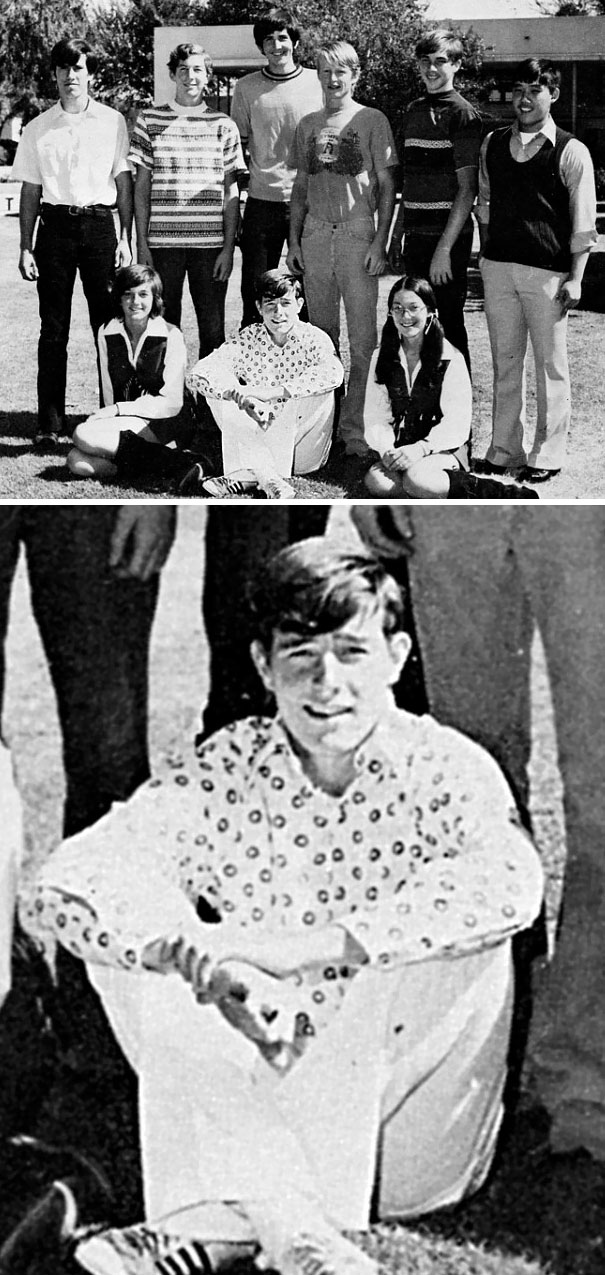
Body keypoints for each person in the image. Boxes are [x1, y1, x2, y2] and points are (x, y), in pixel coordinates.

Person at [24, 537, 543, 1275]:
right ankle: (291, 1230)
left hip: (404, 1144)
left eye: (351, 652)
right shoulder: (234, 761)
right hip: (266, 1086)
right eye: (300, 655)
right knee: (140, 952)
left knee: (425, 942)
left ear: (397, 656)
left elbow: (509, 882)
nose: (327, 682)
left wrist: (289, 950)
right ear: (264, 667)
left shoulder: (447, 767)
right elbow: (76, 875)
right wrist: (195, 955)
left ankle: (217, 1224)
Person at [349, 504, 605, 1162]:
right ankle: (494, 1052)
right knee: (471, 786)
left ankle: (583, 1077)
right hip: (454, 495)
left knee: (600, 794)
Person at [475, 59, 597, 484]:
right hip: (499, 269)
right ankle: (504, 449)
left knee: (550, 367)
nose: (524, 100)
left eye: (535, 91)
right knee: (505, 363)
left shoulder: (570, 150)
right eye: (519, 91)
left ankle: (548, 453)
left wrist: (576, 277)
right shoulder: (492, 143)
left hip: (548, 274)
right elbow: (485, 203)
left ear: (553, 95)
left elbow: (583, 224)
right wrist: (487, 255)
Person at [12, 37, 133, 451]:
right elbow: (30, 190)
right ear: (55, 74)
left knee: (107, 326)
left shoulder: (113, 122)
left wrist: (125, 237)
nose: (70, 76)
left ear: (90, 74)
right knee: (53, 330)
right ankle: (50, 423)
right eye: (63, 68)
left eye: (78, 68)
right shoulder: (38, 127)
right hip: (55, 230)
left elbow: (123, 182)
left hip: (99, 228)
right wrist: (25, 246)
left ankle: (111, 416)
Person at [287, 41, 397, 457]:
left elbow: (387, 185)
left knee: (363, 340)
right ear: (317, 74)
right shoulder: (307, 124)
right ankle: (322, 429)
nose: (333, 79)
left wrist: (380, 241)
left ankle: (356, 431)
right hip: (316, 234)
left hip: (357, 233)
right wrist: (294, 240)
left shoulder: (372, 119)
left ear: (355, 76)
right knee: (320, 338)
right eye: (325, 71)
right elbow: (300, 186)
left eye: (341, 72)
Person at [184, 270, 343, 498]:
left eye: (286, 304)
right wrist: (236, 394)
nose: (278, 313)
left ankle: (246, 476)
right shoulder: (251, 336)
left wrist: (268, 393)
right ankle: (268, 478)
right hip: (260, 434)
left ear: (299, 305)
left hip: (302, 451)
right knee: (220, 390)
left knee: (311, 390)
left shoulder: (315, 337)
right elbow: (199, 373)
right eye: (270, 305)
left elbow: (334, 373)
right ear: (259, 307)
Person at [129, 42, 244, 358]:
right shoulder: (149, 120)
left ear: (207, 76)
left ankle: (209, 391)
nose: (190, 77)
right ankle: (169, 390)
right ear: (172, 75)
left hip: (210, 247)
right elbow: (141, 189)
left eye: (197, 70)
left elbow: (231, 191)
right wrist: (142, 244)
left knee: (213, 330)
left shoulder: (224, 125)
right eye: (183, 70)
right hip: (162, 245)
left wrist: (228, 248)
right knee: (163, 329)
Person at [388, 28, 482, 372]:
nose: (431, 68)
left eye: (440, 61)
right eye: (425, 61)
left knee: (449, 324)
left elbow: (467, 190)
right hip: (416, 236)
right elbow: (410, 182)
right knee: (414, 322)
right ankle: (422, 397)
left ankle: (459, 402)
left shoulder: (463, 114)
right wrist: (397, 234)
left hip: (448, 241)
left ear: (456, 65)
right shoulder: (413, 111)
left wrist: (444, 249)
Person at [231, 7, 323, 327]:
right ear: (260, 46)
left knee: (308, 294)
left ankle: (310, 358)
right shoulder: (246, 87)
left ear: (295, 42)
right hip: (262, 203)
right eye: (268, 39)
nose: (276, 45)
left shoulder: (318, 82)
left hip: (309, 203)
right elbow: (237, 150)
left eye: (283, 38)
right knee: (256, 295)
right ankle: (253, 359)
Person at [66, 265, 187, 482]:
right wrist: (107, 417)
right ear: (119, 299)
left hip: (164, 421)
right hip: (126, 420)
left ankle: (177, 460)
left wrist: (118, 410)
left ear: (155, 298)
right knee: (77, 461)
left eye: (143, 294)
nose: (135, 302)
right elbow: (108, 388)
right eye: (128, 295)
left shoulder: (171, 335)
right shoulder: (107, 331)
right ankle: (158, 467)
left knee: (82, 434)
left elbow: (173, 403)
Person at [362, 275, 471, 498]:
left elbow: (457, 423)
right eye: (398, 308)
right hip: (401, 446)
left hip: (441, 447)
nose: (406, 316)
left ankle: (495, 491)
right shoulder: (382, 356)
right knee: (378, 483)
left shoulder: (450, 358)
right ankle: (423, 491)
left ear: (430, 312)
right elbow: (375, 415)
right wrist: (387, 450)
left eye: (414, 308)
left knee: (417, 479)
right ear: (390, 313)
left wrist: (421, 449)